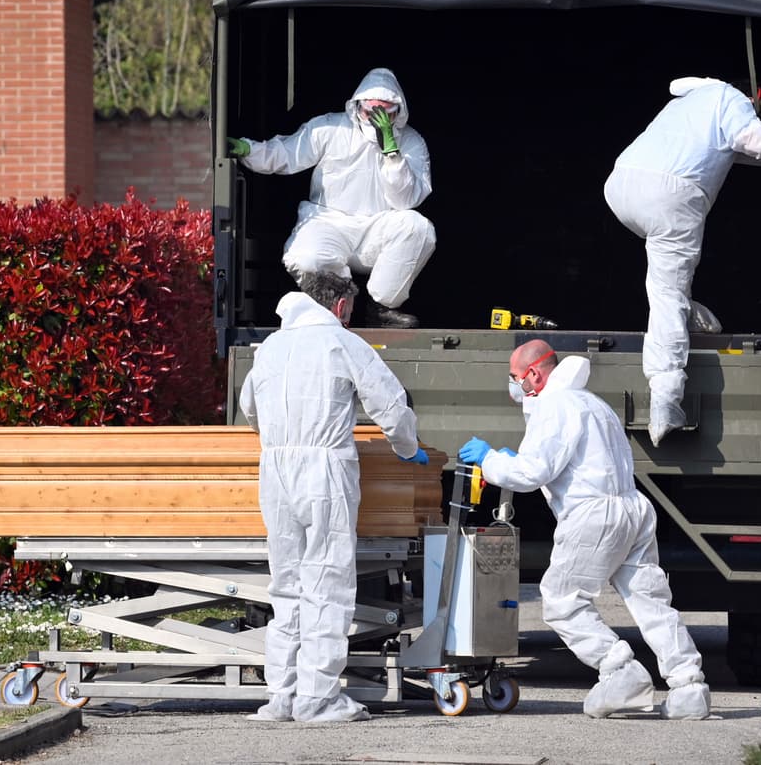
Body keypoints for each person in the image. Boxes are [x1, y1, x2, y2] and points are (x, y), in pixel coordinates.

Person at [458, 339, 710, 719]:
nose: (514, 385)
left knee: (562, 601)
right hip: (632, 508)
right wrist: (516, 459)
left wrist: (490, 459)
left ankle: (620, 671)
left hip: (593, 514)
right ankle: (689, 685)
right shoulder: (593, 403)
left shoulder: (555, 405)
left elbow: (531, 473)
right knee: (651, 601)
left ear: (534, 374)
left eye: (515, 376)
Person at [238, 271, 430, 722]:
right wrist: (408, 447)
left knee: (286, 583)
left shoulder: (270, 348)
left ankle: (281, 695)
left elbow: (250, 408)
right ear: (340, 306)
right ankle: (318, 698)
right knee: (327, 581)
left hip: (275, 469)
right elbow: (389, 404)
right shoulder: (341, 343)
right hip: (323, 469)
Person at [603, 77, 761, 445]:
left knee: (665, 285)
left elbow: (740, 151)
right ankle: (665, 401)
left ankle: (684, 311)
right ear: (756, 97)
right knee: (667, 294)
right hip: (671, 195)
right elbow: (756, 139)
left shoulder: (694, 103)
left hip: (622, 186)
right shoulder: (732, 97)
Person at [227, 67, 434, 328]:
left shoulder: (411, 142)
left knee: (418, 227)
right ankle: (335, 311)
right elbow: (286, 154)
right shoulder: (330, 127)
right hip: (329, 222)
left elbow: (406, 201)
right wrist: (248, 149)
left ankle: (381, 309)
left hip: (377, 228)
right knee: (305, 256)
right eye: (371, 112)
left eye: (385, 114)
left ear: (398, 112)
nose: (376, 121)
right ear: (357, 106)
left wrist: (391, 152)